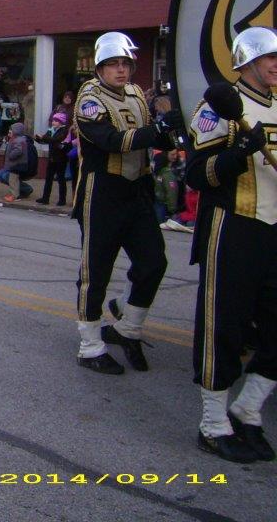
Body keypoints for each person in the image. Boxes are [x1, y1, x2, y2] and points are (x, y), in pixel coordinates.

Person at [185, 26, 277, 463]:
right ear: (245, 63)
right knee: (224, 327)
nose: (276, 65)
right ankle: (213, 422)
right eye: (269, 58)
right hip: (235, 226)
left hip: (276, 230)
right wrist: (240, 150)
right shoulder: (218, 109)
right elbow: (196, 175)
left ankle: (249, 408)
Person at [72, 31, 177, 375]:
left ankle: (127, 326)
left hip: (137, 190)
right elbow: (112, 141)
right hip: (102, 192)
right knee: (95, 271)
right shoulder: (89, 97)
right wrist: (159, 130)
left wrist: (173, 129)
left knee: (154, 262)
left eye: (125, 63)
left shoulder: (135, 94)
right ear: (100, 67)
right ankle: (90, 345)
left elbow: (150, 139)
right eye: (113, 64)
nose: (121, 70)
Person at [35, 112, 70, 206]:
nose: (53, 122)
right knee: (48, 179)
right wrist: (38, 138)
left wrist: (44, 137)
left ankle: (62, 200)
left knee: (61, 179)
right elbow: (46, 140)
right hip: (52, 157)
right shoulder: (51, 130)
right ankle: (45, 198)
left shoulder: (64, 131)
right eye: (53, 120)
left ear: (61, 122)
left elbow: (56, 140)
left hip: (60, 158)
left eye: (56, 121)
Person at [0, 122, 34, 202]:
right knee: (8, 178)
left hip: (16, 165)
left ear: (16, 131)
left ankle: (14, 195)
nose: (9, 131)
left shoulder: (19, 140)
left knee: (13, 180)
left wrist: (11, 155)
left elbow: (18, 151)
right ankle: (12, 193)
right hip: (12, 165)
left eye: (11, 130)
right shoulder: (14, 139)